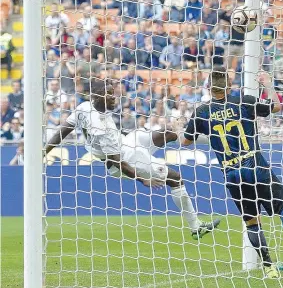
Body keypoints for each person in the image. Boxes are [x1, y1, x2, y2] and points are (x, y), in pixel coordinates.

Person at [181, 67, 283, 278]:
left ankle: (269, 267)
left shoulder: (201, 112)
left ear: (208, 88)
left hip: (232, 174)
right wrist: (267, 83)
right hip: (255, 165)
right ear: (228, 86)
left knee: (252, 221)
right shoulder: (244, 101)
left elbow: (186, 141)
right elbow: (278, 107)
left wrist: (209, 131)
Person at [45, 78, 220, 240]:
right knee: (176, 179)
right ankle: (196, 227)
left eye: (113, 92)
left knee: (170, 132)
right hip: (127, 158)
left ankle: (217, 139)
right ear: (96, 96)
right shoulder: (101, 128)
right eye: (109, 94)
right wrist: (142, 179)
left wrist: (45, 150)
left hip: (128, 141)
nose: (114, 97)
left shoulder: (84, 107)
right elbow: (118, 162)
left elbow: (64, 130)